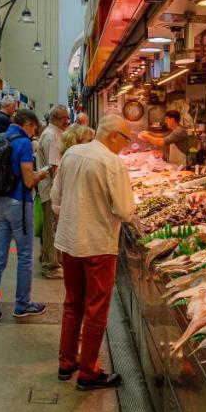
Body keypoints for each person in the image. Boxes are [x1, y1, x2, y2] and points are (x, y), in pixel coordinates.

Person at [52, 114, 137, 390]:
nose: (126, 145)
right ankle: (89, 372)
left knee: (72, 302)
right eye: (126, 139)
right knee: (96, 308)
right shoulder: (112, 162)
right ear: (114, 136)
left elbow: (56, 200)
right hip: (98, 244)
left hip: (69, 241)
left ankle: (67, 362)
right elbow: (124, 211)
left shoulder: (72, 153)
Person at [0, 108, 51, 324]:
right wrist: (43, 173)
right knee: (24, 256)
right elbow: (29, 180)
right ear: (29, 124)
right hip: (18, 204)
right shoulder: (22, 143)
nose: (34, 133)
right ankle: (22, 305)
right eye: (34, 129)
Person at [36, 105, 70, 279]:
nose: (67, 121)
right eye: (65, 117)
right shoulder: (51, 136)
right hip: (50, 190)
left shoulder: (54, 133)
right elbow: (54, 168)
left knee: (52, 227)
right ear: (56, 118)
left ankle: (52, 258)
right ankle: (50, 266)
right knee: (51, 228)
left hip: (51, 189)